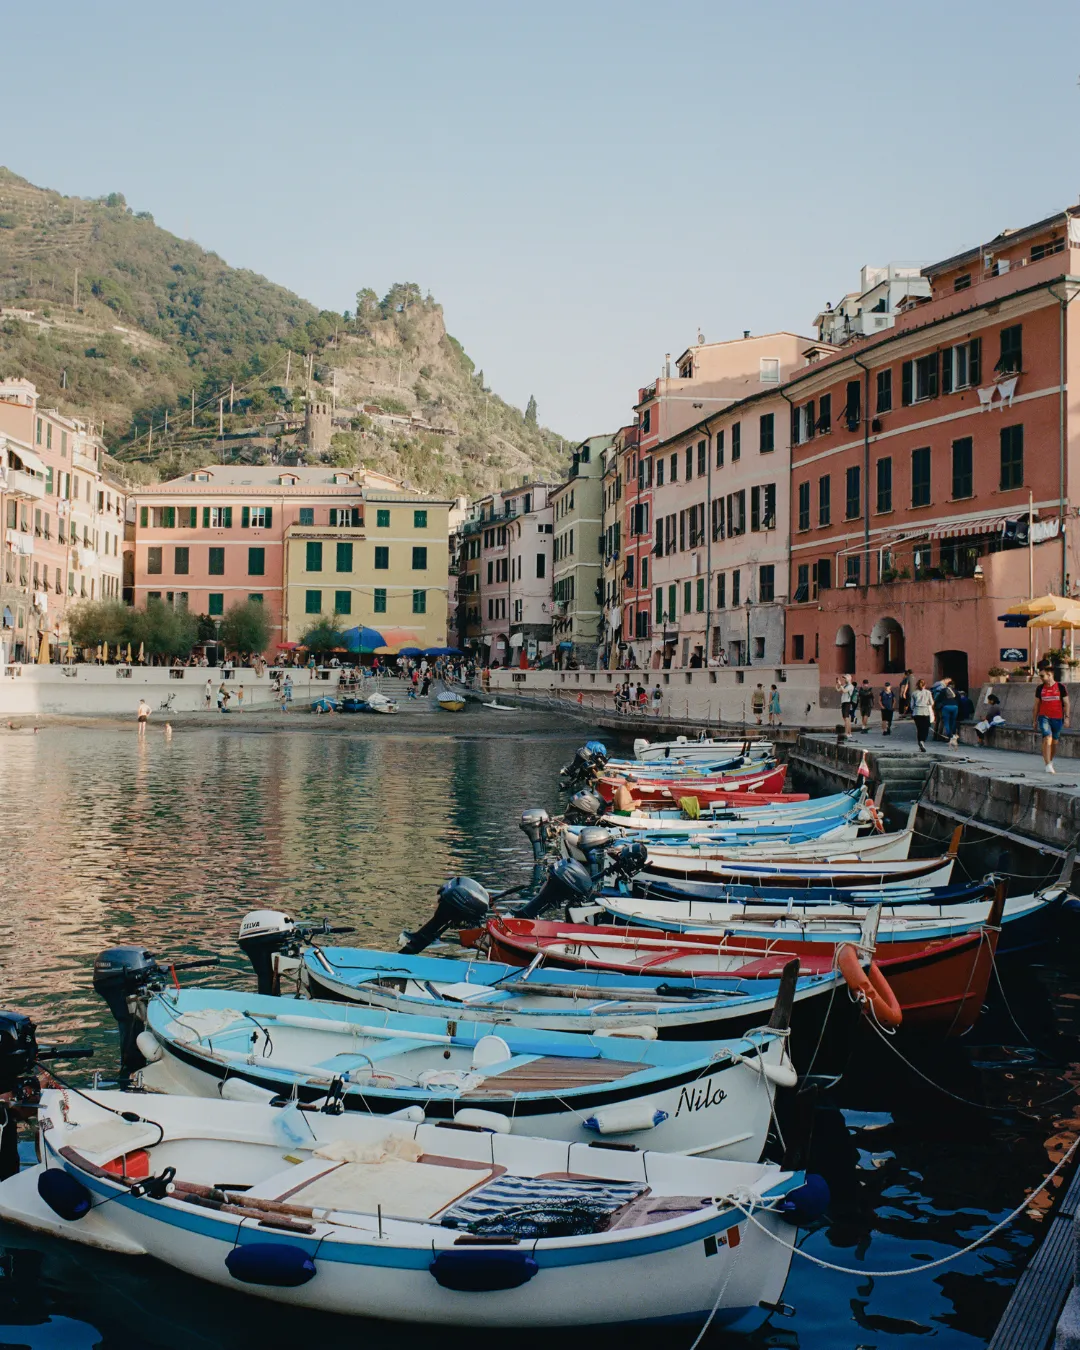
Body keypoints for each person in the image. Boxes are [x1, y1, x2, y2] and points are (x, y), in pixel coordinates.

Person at [1033, 668, 1071, 773]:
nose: (1040, 678)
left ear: (1049, 675)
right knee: (1047, 738)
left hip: (1057, 718)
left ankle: (1050, 760)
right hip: (1044, 717)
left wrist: (1067, 718)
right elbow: (1036, 705)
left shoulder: (1061, 687)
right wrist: (1034, 720)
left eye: (1042, 676)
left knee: (1054, 742)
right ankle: (1048, 764)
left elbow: (1066, 703)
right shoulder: (1040, 688)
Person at [911, 678, 935, 751]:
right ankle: (922, 741)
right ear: (925, 685)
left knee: (919, 729)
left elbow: (912, 705)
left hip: (917, 712)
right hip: (925, 712)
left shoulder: (914, 693)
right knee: (926, 729)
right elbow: (932, 703)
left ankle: (920, 743)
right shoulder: (928, 692)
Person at [935, 678, 959, 746]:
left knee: (946, 722)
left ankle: (949, 736)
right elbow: (959, 700)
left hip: (946, 707)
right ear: (953, 685)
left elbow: (938, 699)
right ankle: (953, 735)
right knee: (953, 721)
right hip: (955, 707)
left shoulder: (943, 690)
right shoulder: (955, 691)